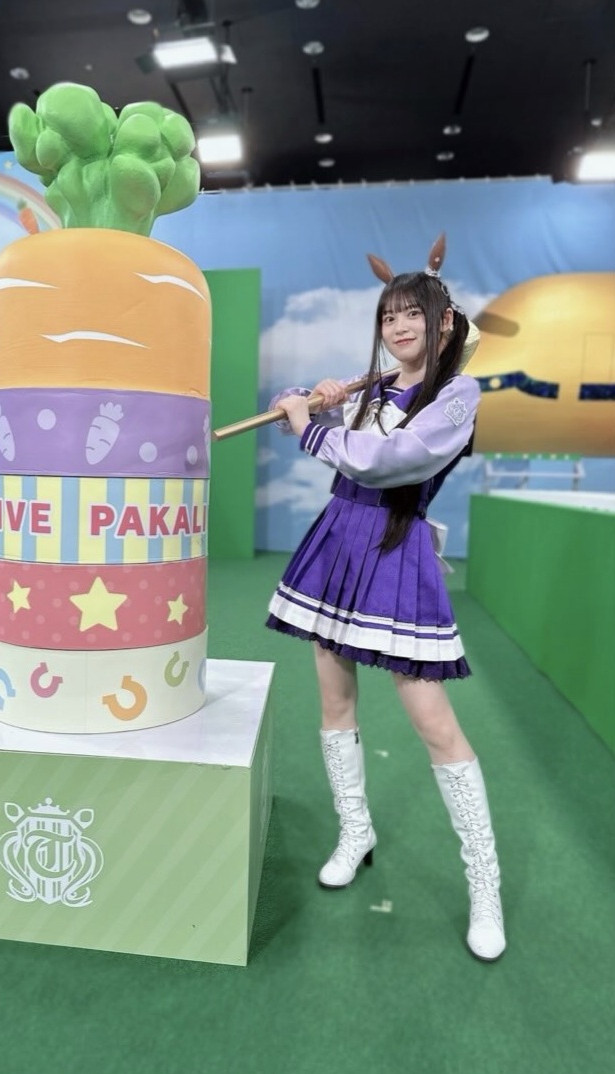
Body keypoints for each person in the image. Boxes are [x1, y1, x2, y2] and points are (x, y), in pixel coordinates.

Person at [267, 241, 505, 962]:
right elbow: (339, 435)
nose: (397, 326)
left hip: (395, 552)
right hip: (339, 544)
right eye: (388, 316)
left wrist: (311, 426)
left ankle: (485, 888)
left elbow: (396, 461)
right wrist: (317, 398)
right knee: (334, 703)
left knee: (434, 724)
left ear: (443, 323)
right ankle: (355, 830)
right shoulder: (370, 391)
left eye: (412, 314)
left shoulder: (458, 396)